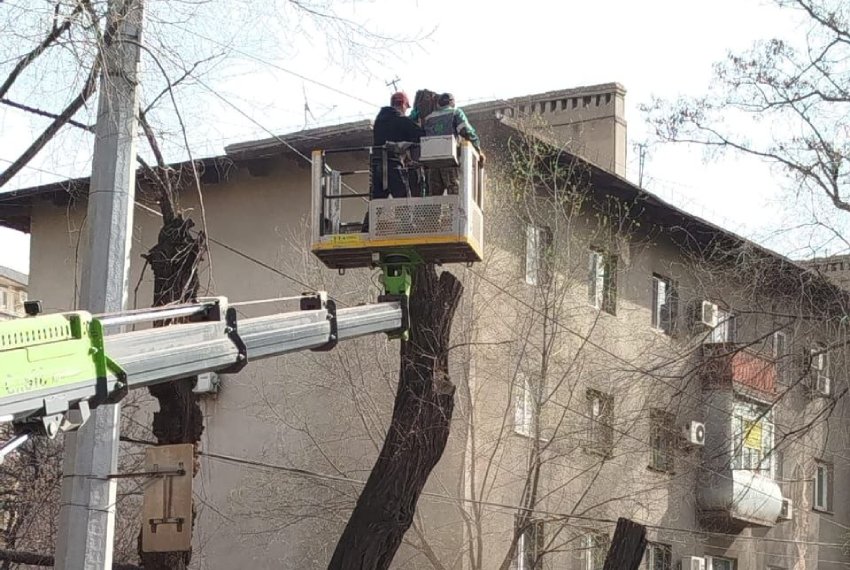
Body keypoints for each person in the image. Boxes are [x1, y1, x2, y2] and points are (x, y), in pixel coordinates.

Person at [423, 93, 483, 195]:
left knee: (434, 200)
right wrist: (478, 150)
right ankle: (454, 211)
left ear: (439, 104)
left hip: (432, 164)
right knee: (455, 195)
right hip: (450, 161)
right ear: (452, 102)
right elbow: (466, 131)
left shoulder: (428, 118)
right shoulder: (455, 113)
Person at [371, 91, 424, 199]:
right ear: (403, 104)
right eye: (406, 107)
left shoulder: (379, 121)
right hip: (392, 164)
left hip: (377, 165)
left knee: (377, 203)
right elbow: (420, 134)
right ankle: (402, 216)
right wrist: (416, 121)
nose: (405, 111)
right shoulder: (400, 120)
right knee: (403, 200)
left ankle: (370, 216)